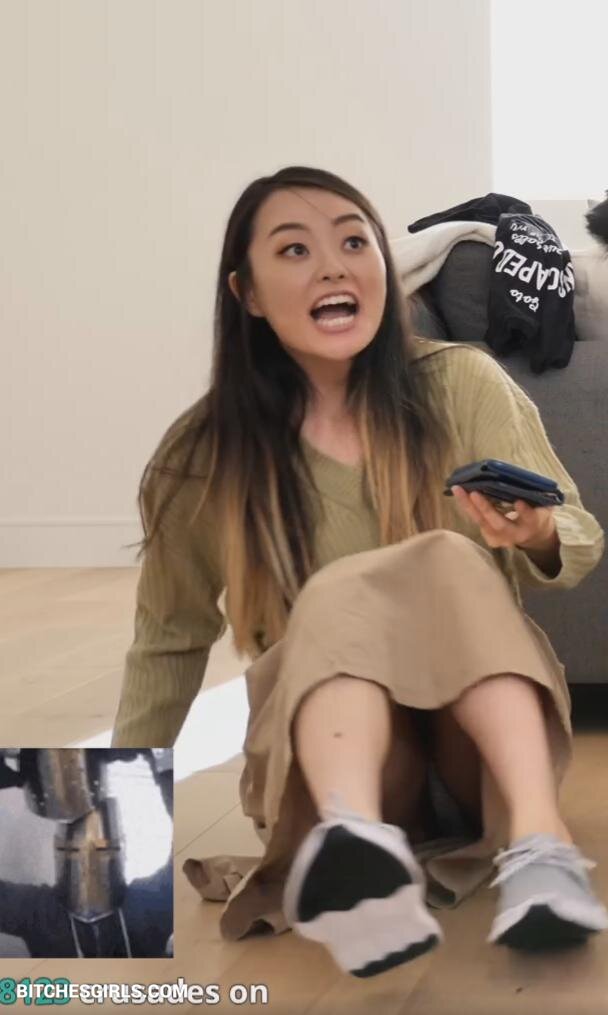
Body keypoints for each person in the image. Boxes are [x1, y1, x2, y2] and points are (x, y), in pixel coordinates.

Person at [112, 165, 608, 978]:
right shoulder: (201, 455)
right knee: (344, 595)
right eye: (295, 250)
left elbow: (580, 542)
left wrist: (539, 529)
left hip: (476, 757)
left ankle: (537, 843)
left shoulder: (462, 381)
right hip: (323, 760)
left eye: (353, 242)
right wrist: (117, 819)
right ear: (247, 293)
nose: (333, 267)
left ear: (382, 263)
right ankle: (353, 840)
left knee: (443, 555)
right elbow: (167, 641)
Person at [0, 755, 173, 958]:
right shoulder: (149, 905)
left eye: (102, 850)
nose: (86, 864)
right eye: (73, 850)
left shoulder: (149, 904)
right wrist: (164, 770)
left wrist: (164, 766)